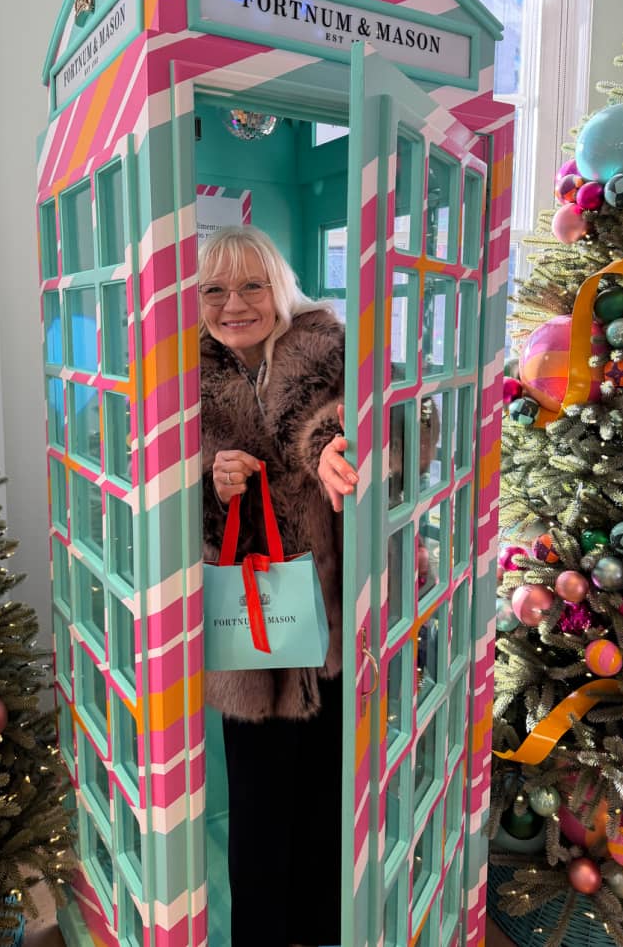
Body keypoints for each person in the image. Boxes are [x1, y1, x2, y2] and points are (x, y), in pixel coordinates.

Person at [199, 225, 357, 947]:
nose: (234, 304)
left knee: (325, 785)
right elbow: (165, 459)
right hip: (248, 611)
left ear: (281, 286)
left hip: (326, 607)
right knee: (258, 793)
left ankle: (322, 927)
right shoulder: (187, 374)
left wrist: (330, 454)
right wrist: (211, 473)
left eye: (251, 285)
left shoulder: (325, 346)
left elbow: (325, 420)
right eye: (214, 290)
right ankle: (261, 933)